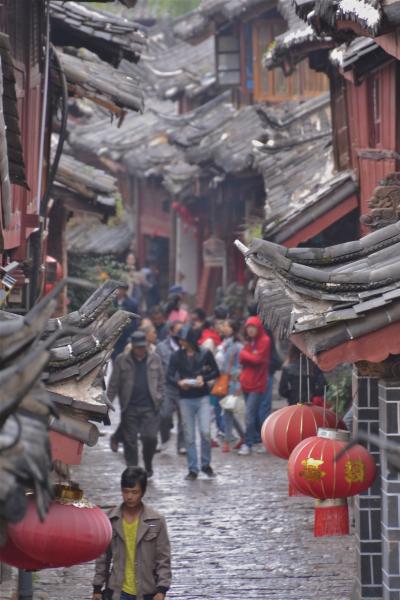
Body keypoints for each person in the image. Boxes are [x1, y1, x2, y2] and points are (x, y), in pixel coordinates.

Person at [92, 467, 171, 600]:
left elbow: (163, 558)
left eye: (134, 492)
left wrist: (162, 590)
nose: (129, 497)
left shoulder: (155, 521)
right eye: (126, 492)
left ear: (143, 492)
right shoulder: (111, 520)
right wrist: (97, 588)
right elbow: (103, 558)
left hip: (147, 592)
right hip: (118, 591)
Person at [107, 331, 164, 477]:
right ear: (132, 347)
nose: (140, 350)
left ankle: (148, 463)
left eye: (143, 347)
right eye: (138, 347)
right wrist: (107, 404)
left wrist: (159, 397)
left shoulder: (155, 359)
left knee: (150, 438)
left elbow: (161, 381)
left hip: (150, 407)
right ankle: (132, 470)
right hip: (130, 406)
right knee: (130, 441)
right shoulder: (122, 360)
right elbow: (114, 384)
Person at [167, 325, 219, 480]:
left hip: (202, 396)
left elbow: (215, 371)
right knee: (189, 436)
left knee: (205, 432)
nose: (181, 343)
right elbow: (169, 375)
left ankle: (205, 464)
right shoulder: (176, 356)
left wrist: (204, 378)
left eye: (183, 340)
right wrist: (179, 382)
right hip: (185, 398)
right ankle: (193, 468)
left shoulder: (205, 353)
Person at [238, 316, 271, 456]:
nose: (250, 330)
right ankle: (257, 440)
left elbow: (257, 360)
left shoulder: (265, 341)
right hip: (246, 383)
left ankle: (248, 443)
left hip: (257, 383)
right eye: (248, 328)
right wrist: (248, 355)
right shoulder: (249, 342)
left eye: (253, 328)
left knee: (250, 415)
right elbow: (243, 360)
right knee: (253, 415)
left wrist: (245, 353)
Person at [156, 320, 186, 454]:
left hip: (184, 386)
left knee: (184, 418)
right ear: (171, 331)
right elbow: (157, 368)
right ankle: (165, 437)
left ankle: (182, 445)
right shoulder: (161, 347)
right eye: (178, 331)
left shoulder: (187, 346)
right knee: (164, 415)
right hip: (167, 386)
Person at [217, 319, 245, 452]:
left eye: (227, 326)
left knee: (228, 411)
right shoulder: (226, 344)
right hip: (226, 381)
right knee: (229, 411)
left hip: (233, 383)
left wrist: (238, 382)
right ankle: (243, 436)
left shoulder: (237, 346)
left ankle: (228, 441)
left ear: (232, 329)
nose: (224, 328)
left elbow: (240, 366)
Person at [111, 284, 140, 360]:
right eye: (118, 289)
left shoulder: (132, 303)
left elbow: (135, 320)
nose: (119, 291)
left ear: (125, 291)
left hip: (126, 334)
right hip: (113, 334)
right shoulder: (111, 302)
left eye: (121, 289)